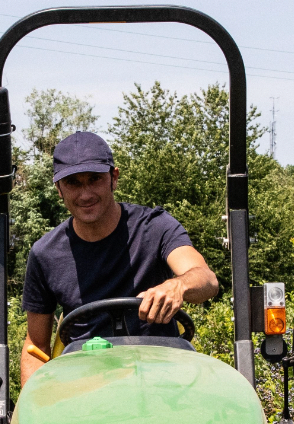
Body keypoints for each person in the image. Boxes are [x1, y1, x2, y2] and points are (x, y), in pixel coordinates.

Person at [20, 131, 219, 385]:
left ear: (113, 178)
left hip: (161, 375)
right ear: (58, 188)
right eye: (73, 183)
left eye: (94, 179)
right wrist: (33, 410)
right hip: (85, 383)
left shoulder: (155, 228)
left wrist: (178, 285)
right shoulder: (45, 253)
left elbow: (206, 279)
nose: (85, 194)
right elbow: (35, 346)